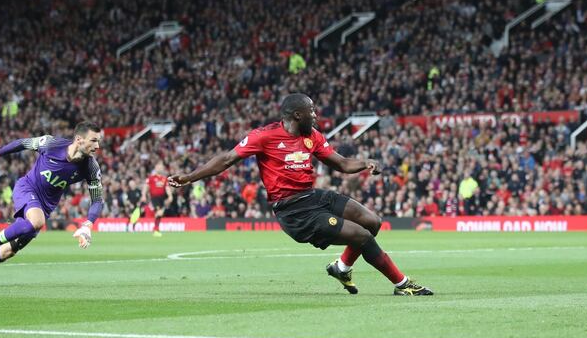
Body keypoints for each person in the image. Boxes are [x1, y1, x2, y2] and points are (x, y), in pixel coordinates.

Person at [168, 93, 433, 296]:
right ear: (296, 115)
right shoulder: (264, 136)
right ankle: (402, 284)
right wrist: (189, 178)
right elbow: (226, 160)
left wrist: (365, 163)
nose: (316, 116)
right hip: (293, 210)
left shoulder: (312, 136)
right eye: (312, 112)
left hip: (313, 196)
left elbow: (340, 163)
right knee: (361, 236)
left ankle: (340, 268)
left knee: (372, 222)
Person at [0, 122, 104, 289]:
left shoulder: (91, 167)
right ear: (79, 139)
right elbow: (23, 143)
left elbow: (97, 199)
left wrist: (88, 224)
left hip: (46, 206)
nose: (97, 146)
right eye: (93, 140)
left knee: (9, 251)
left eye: (99, 141)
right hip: (27, 188)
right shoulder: (51, 144)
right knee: (37, 221)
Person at [144, 162, 171, 237]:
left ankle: (156, 229)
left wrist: (170, 196)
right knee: (159, 213)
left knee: (160, 214)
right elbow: (146, 187)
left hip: (162, 198)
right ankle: (155, 229)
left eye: (161, 167)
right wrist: (143, 195)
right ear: (155, 168)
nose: (160, 168)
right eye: (158, 167)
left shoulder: (164, 179)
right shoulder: (151, 178)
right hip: (154, 198)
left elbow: (167, 188)